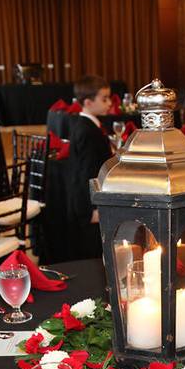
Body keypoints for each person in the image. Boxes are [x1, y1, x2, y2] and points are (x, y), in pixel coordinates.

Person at [66, 75, 113, 261]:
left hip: (88, 200)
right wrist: (91, 208)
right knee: (91, 253)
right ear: (87, 102)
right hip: (88, 205)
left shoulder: (86, 125)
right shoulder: (87, 132)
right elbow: (85, 173)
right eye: (104, 99)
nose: (110, 103)